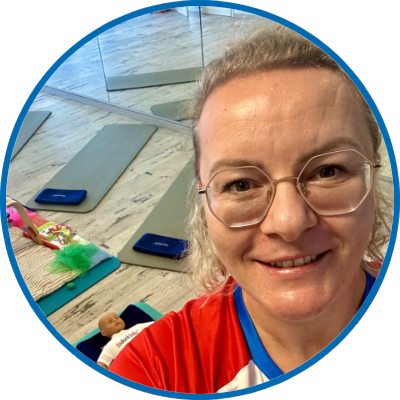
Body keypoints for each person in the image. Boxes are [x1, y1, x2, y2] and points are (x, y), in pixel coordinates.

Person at [109, 23, 392, 393]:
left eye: (328, 171)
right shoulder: (155, 370)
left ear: (373, 175)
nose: (289, 222)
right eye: (240, 184)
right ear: (203, 202)